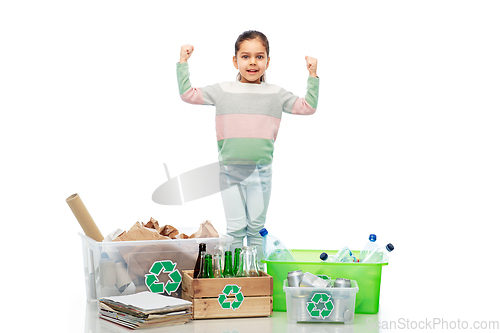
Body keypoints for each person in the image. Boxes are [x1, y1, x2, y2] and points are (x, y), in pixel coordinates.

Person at [176, 30, 319, 265]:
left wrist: (312, 75)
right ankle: (233, 278)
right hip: (229, 172)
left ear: (267, 61)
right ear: (235, 60)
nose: (252, 62)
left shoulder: (276, 93)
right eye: (245, 56)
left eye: (259, 57)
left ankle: (255, 280)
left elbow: (308, 107)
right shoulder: (222, 90)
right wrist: (183, 62)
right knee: (234, 230)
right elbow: (188, 94)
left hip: (260, 173)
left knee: (255, 230)